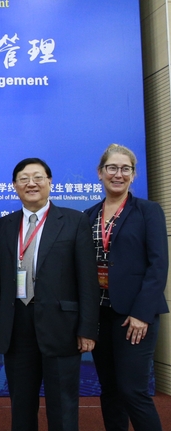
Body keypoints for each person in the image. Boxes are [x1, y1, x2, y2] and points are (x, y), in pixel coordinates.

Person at [0, 157, 99, 431]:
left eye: (38, 177)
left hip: (62, 328)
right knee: (21, 406)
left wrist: (87, 328)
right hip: (16, 327)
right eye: (24, 178)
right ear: (14, 186)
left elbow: (88, 280)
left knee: (62, 406)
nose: (31, 183)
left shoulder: (74, 221)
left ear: (50, 182)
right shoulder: (3, 226)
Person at [84, 144, 168, 431]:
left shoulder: (148, 211)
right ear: (100, 173)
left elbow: (158, 266)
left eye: (125, 169)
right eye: (112, 168)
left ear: (133, 175)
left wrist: (142, 314)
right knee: (110, 390)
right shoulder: (89, 215)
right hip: (101, 315)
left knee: (133, 391)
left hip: (134, 316)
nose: (118, 174)